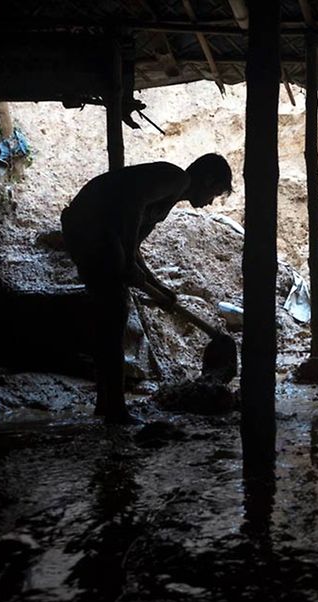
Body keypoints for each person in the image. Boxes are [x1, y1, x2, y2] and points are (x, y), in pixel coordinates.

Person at [61, 153, 233, 423]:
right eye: (214, 193)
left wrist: (158, 287)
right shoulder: (177, 177)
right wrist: (127, 259)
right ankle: (115, 410)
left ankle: (106, 404)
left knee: (111, 315)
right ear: (208, 179)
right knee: (115, 311)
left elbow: (135, 248)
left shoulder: (167, 201)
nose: (210, 202)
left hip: (89, 231)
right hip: (91, 226)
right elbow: (132, 204)